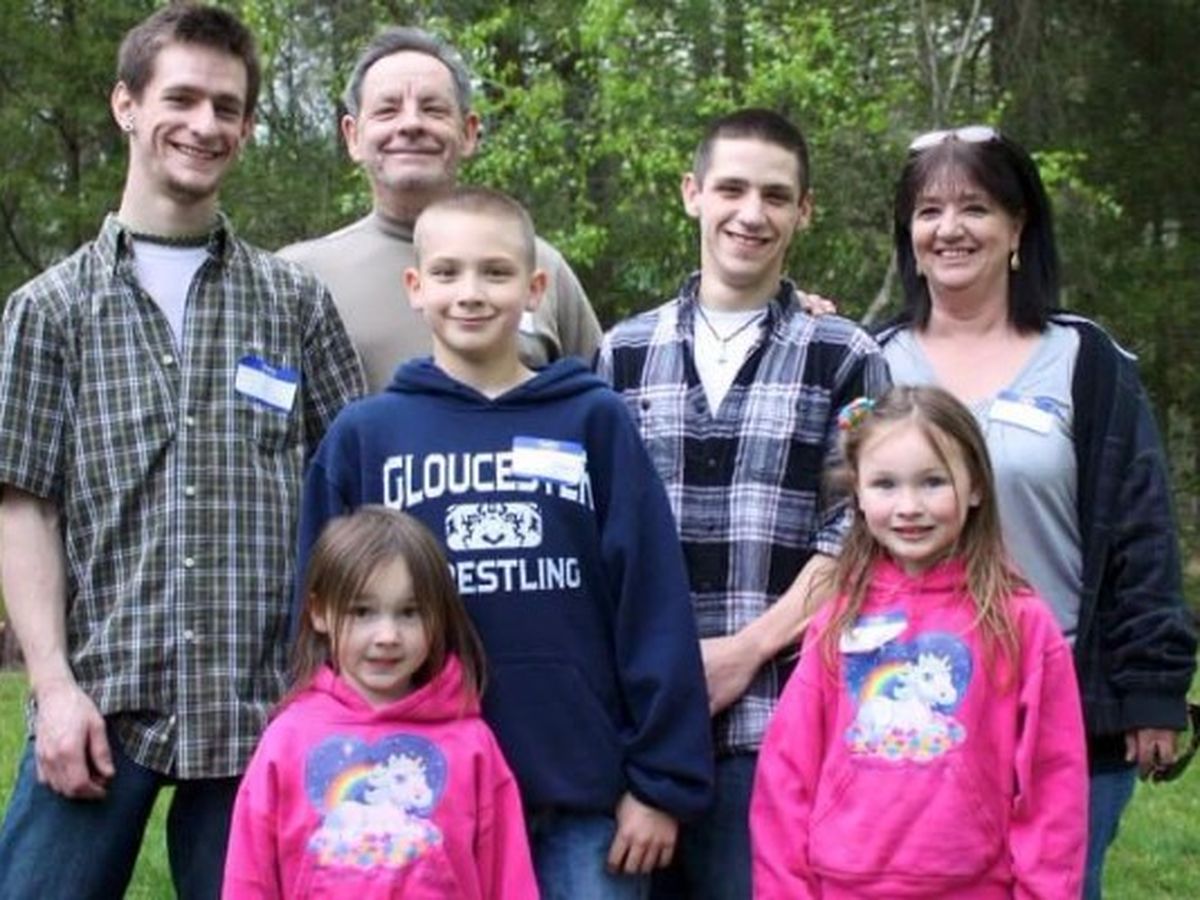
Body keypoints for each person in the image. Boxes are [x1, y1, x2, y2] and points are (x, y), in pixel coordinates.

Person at [0, 5, 365, 898]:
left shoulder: (294, 304)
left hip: (261, 711)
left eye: (227, 107)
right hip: (104, 700)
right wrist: (53, 688)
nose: (205, 125)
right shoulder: (49, 311)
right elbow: (22, 505)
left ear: (246, 125)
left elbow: (354, 503)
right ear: (126, 105)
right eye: (183, 98)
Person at [295, 186, 714, 898]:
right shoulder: (365, 437)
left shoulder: (593, 422)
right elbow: (317, 618)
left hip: (582, 795)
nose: (471, 292)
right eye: (448, 272)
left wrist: (662, 783)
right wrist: (325, 752)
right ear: (415, 287)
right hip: (415, 792)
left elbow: (652, 603)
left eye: (495, 272)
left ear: (535, 289)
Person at [875, 126, 1198, 899]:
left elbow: (1141, 531)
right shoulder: (867, 361)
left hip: (1061, 709)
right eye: (929, 211)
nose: (950, 229)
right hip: (911, 712)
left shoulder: (1086, 361)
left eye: (975, 208)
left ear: (1018, 226)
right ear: (909, 235)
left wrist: (1153, 689)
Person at [595, 109, 890, 899]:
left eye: (775, 195)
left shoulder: (844, 355)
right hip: (638, 726)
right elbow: (594, 538)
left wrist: (746, 650)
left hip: (779, 725)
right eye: (730, 189)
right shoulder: (621, 354)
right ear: (691, 193)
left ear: (804, 211)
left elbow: (859, 533)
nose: (751, 213)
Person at [750, 385, 1088, 898]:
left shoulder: (1020, 622)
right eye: (885, 484)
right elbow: (787, 771)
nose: (909, 506)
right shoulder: (836, 619)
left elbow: (1053, 782)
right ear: (858, 494)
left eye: (932, 482)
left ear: (975, 486)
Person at [223, 507, 537, 898]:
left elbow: (508, 875)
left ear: (438, 617)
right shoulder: (286, 739)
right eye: (362, 612)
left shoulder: (472, 742)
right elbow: (249, 875)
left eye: (409, 613)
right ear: (319, 612)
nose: (387, 635)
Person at [279, 26, 602, 391]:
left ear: (468, 132)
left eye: (433, 109)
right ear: (353, 136)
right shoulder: (297, 278)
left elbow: (603, 406)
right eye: (387, 110)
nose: (411, 124)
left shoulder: (539, 265)